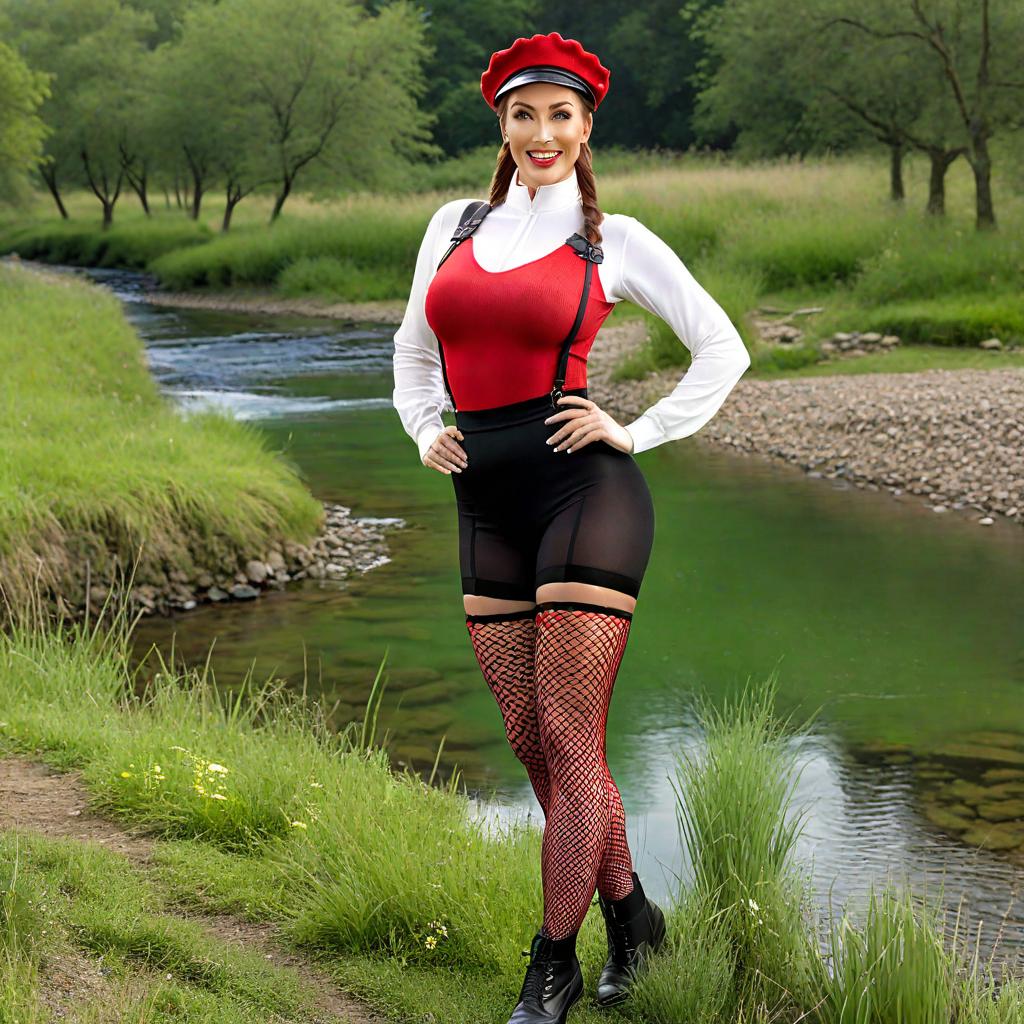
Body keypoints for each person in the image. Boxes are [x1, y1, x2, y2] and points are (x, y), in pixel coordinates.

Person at [392, 31, 751, 1024]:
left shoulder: (616, 238)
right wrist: (424, 425)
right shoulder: (453, 225)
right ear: (500, 127)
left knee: (569, 728)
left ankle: (550, 963)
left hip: (586, 494)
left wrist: (635, 432)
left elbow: (721, 348)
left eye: (560, 115)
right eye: (523, 114)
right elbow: (412, 349)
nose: (541, 132)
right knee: (531, 739)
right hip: (485, 501)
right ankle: (635, 918)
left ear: (586, 126)